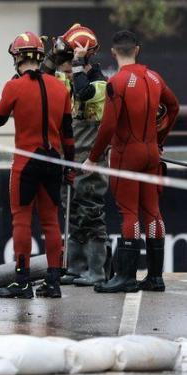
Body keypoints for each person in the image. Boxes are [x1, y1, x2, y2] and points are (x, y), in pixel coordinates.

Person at [84, 30, 179, 293]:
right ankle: (155, 277)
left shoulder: (118, 81)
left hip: (127, 154)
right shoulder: (154, 77)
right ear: (137, 49)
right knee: (152, 212)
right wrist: (159, 138)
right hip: (150, 152)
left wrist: (93, 158)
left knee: (128, 212)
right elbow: (173, 108)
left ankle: (125, 277)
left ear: (114, 52)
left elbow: (108, 125)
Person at [0, 31, 76, 299]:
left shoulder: (14, 86)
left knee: (22, 221)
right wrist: (70, 166)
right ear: (40, 57)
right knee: (51, 222)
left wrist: (13, 86)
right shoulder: (60, 87)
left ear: (17, 57)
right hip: (53, 160)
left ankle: (23, 281)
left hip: (26, 160)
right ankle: (53, 281)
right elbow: (68, 133)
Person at [41, 24, 110, 287]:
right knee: (73, 213)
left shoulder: (100, 84)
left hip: (92, 161)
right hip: (69, 159)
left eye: (71, 62)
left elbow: (83, 92)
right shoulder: (68, 77)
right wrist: (53, 58)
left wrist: (78, 62)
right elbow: (42, 80)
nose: (67, 68)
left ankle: (96, 271)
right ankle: (76, 267)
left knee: (92, 214)